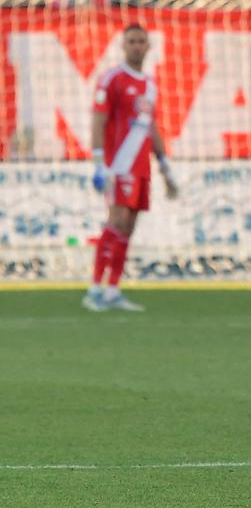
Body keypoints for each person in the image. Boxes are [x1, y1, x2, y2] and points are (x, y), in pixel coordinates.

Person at [84, 24, 178, 313]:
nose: (137, 46)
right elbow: (98, 120)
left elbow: (150, 127)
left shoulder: (150, 85)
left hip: (142, 167)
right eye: (131, 41)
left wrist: (165, 167)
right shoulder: (112, 79)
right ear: (123, 46)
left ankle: (113, 290)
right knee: (116, 221)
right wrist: (99, 164)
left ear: (148, 47)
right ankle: (94, 289)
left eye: (141, 41)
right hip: (118, 164)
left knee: (129, 226)